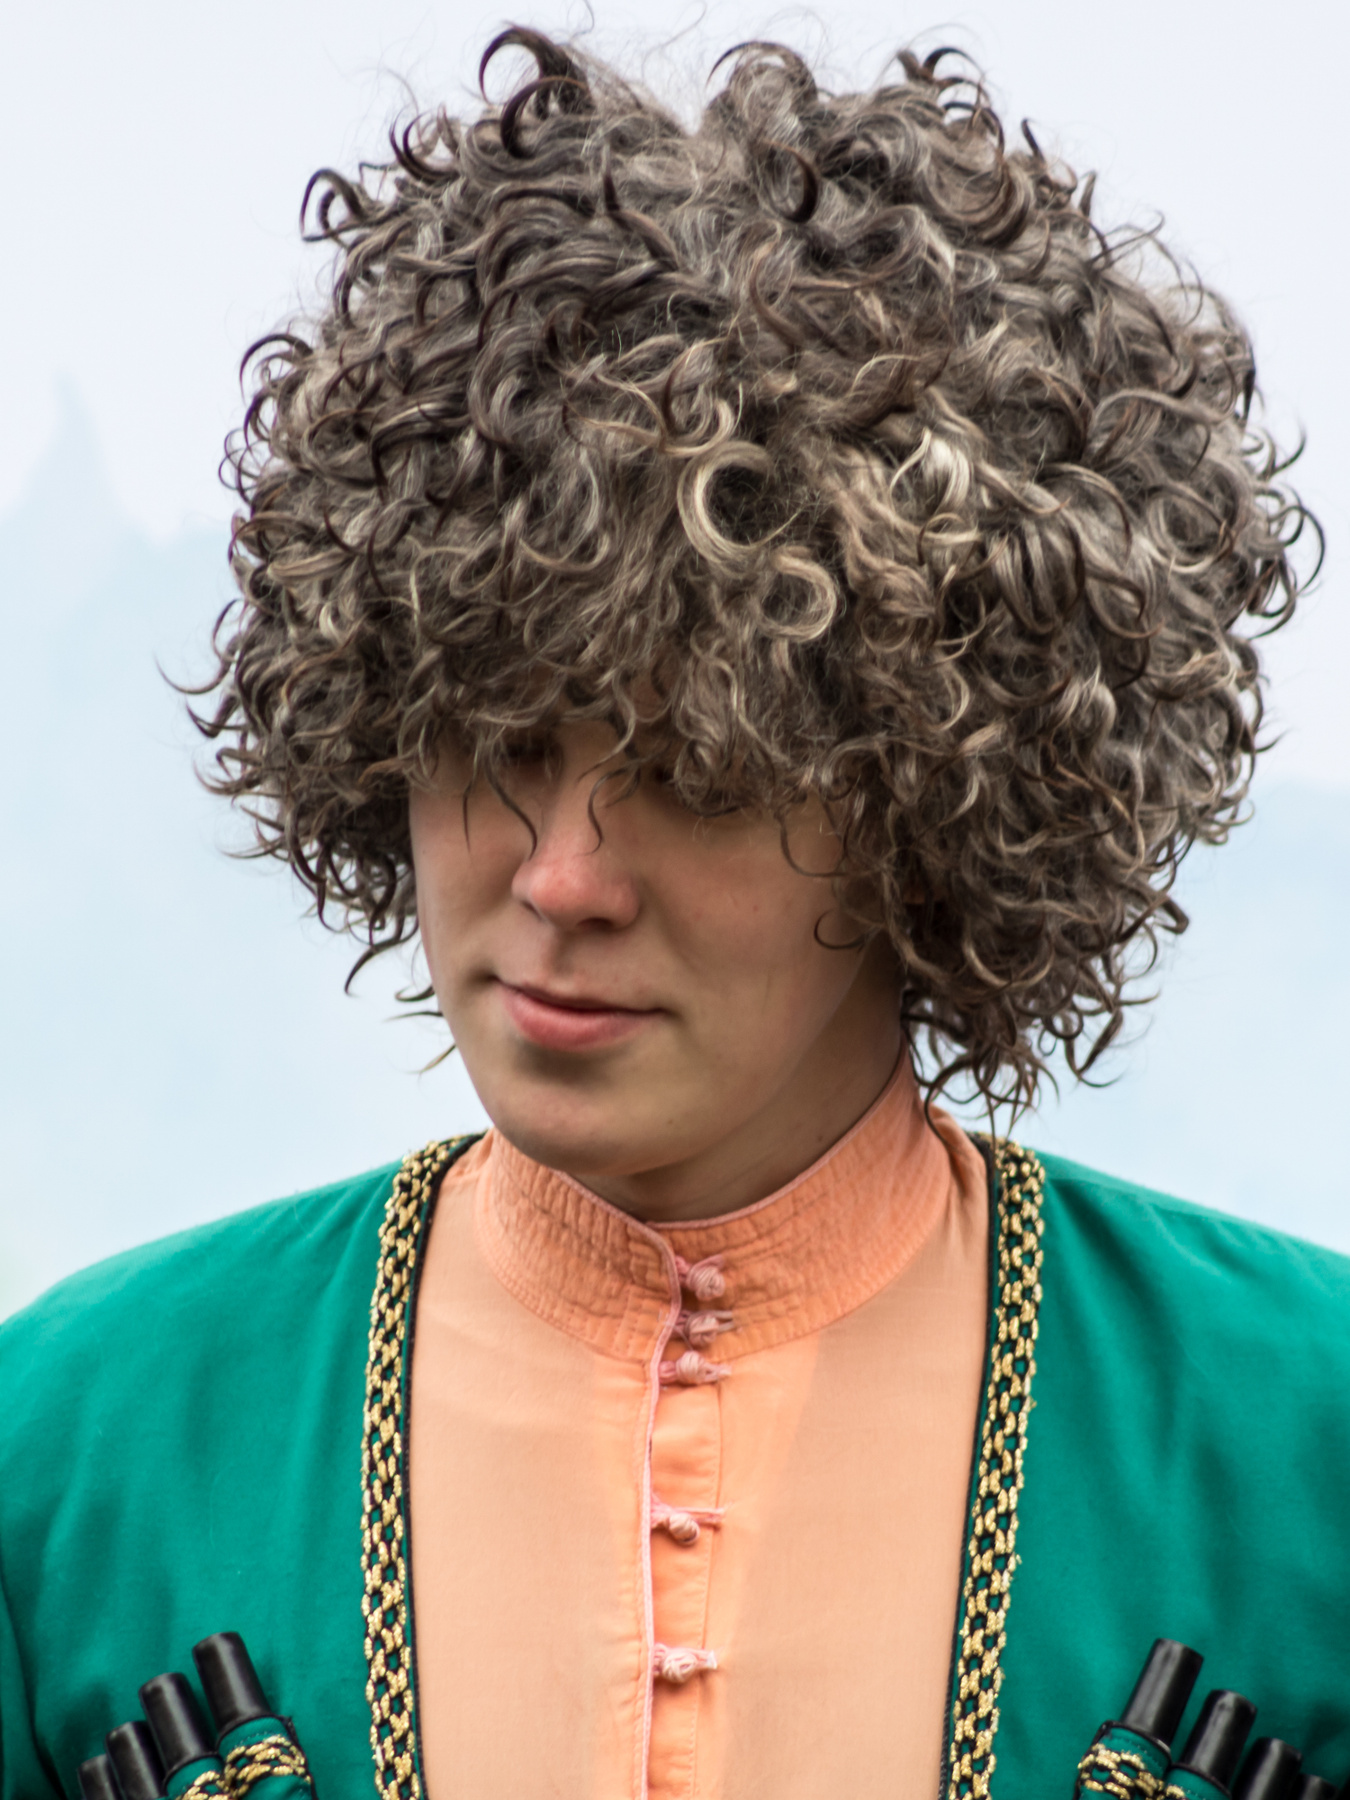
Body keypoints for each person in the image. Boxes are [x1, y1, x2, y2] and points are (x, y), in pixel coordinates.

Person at [0, 28, 1339, 1800]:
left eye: (700, 777)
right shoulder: (71, 1447)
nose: (560, 879)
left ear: (936, 800)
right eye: (493, 743)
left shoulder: (1304, 1442)